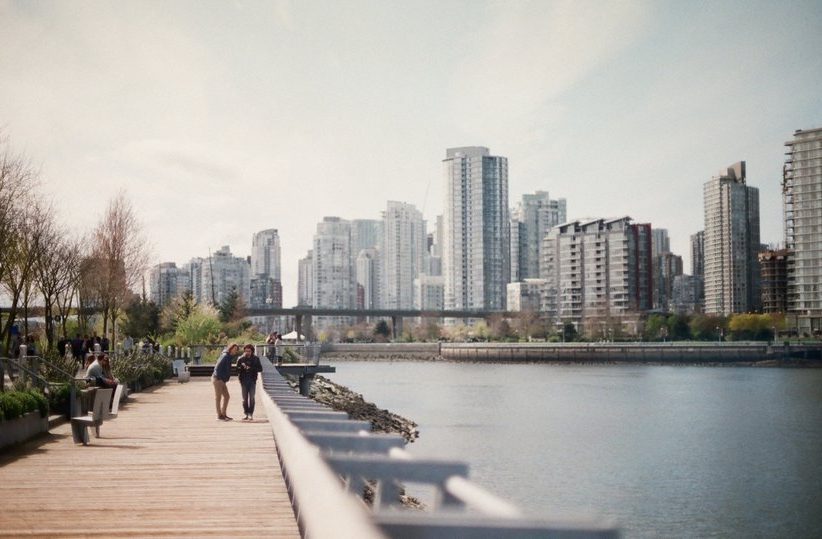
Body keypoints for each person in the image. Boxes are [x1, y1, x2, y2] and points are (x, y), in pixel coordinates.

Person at [212, 343, 239, 421]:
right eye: (234, 349)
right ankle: (219, 415)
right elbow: (217, 367)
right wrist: (219, 377)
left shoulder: (228, 357)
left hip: (222, 380)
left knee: (227, 396)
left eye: (236, 350)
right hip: (218, 379)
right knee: (218, 398)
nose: (235, 351)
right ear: (230, 349)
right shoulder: (225, 356)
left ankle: (223, 414)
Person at [236, 344, 263, 421]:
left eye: (249, 351)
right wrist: (241, 367)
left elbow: (260, 369)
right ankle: (246, 413)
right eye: (246, 351)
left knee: (252, 398)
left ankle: (251, 414)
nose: (247, 352)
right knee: (244, 399)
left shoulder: (256, 359)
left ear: (252, 351)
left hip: (252, 380)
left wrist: (251, 368)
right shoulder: (241, 359)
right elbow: (236, 370)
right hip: (243, 380)